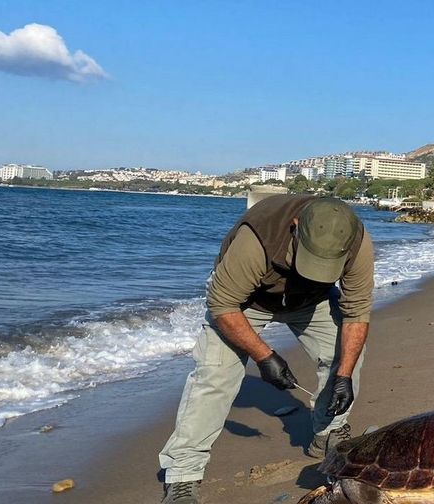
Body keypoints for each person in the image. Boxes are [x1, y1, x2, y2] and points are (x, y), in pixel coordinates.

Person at [159, 195, 374, 504]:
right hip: (245, 303)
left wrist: (343, 375)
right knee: (215, 376)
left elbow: (357, 313)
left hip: (310, 301)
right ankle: (183, 475)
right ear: (295, 228)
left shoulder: (357, 242)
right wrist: (265, 357)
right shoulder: (256, 238)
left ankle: (329, 431)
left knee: (347, 355)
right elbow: (222, 305)